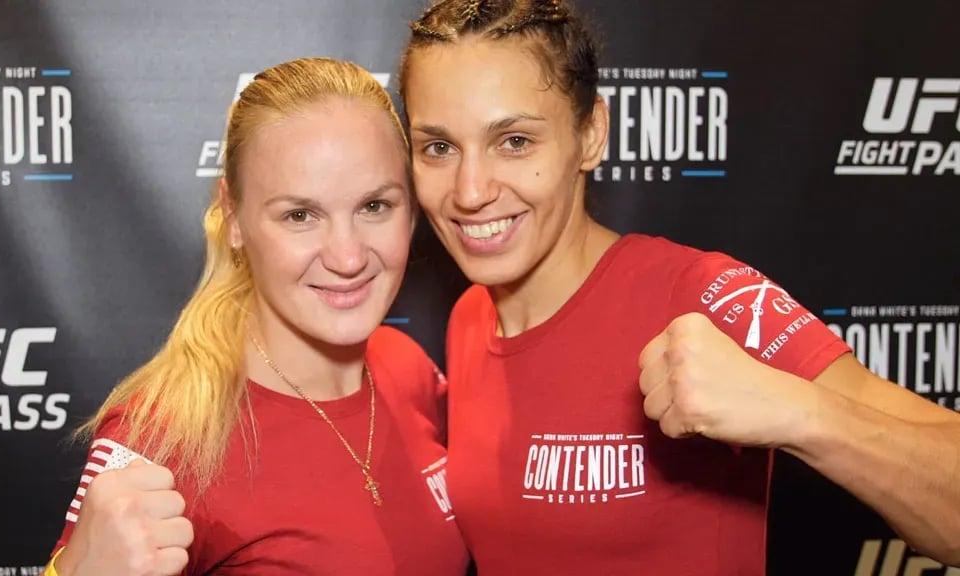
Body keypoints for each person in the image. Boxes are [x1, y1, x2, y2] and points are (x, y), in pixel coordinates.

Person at [398, 0, 960, 573]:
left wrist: (800, 413)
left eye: (514, 141)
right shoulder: (469, 318)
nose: (469, 191)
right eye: (438, 148)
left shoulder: (700, 296)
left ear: (591, 133)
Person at [45, 57, 468, 576]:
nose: (348, 256)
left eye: (374, 206)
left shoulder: (409, 369)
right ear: (234, 218)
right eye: (300, 215)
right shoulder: (165, 436)